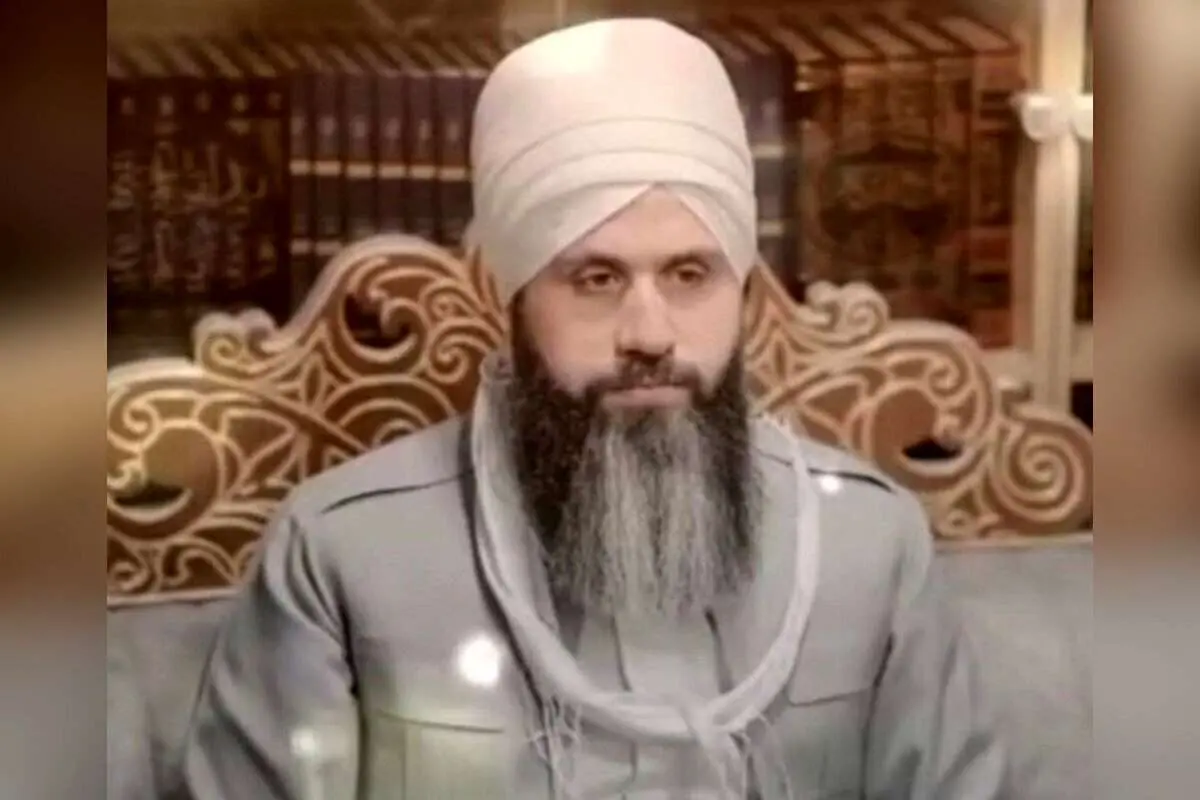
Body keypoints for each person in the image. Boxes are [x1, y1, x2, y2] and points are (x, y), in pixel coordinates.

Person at [181, 18, 1007, 799]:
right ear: (509, 299)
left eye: (689, 275)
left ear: (745, 293)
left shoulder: (873, 543)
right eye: (596, 279)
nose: (649, 334)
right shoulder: (341, 553)